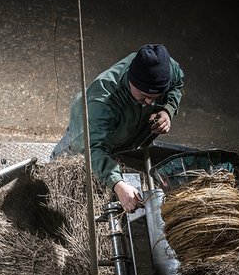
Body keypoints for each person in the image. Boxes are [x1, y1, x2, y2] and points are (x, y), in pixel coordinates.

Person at [51, 44, 184, 213]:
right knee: (64, 162)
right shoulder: (102, 102)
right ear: (131, 80)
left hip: (123, 131)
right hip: (85, 131)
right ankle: (54, 166)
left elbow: (177, 82)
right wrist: (118, 185)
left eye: (155, 97)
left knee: (106, 162)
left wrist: (167, 110)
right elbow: (96, 149)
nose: (151, 103)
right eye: (145, 96)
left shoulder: (163, 67)